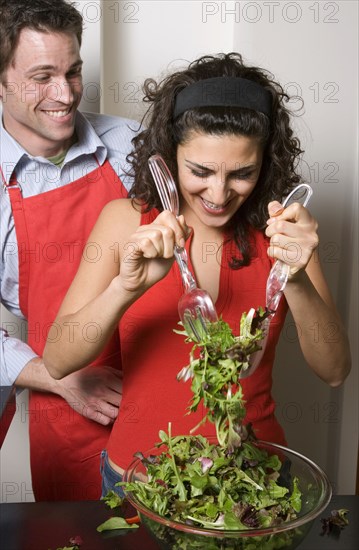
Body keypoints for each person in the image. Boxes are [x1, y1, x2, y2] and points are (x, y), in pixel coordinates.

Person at [43, 52, 351, 496]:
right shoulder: (125, 221)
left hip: (254, 484)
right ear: (170, 155)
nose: (219, 193)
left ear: (265, 163)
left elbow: (336, 370)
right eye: (200, 171)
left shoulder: (285, 233)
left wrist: (297, 278)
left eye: (242, 173)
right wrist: (125, 287)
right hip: (140, 483)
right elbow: (57, 360)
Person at [0, 0, 140, 501]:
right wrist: (56, 379)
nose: (65, 94)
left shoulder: (131, 147)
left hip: (160, 384)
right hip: (67, 402)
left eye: (73, 72)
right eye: (42, 76)